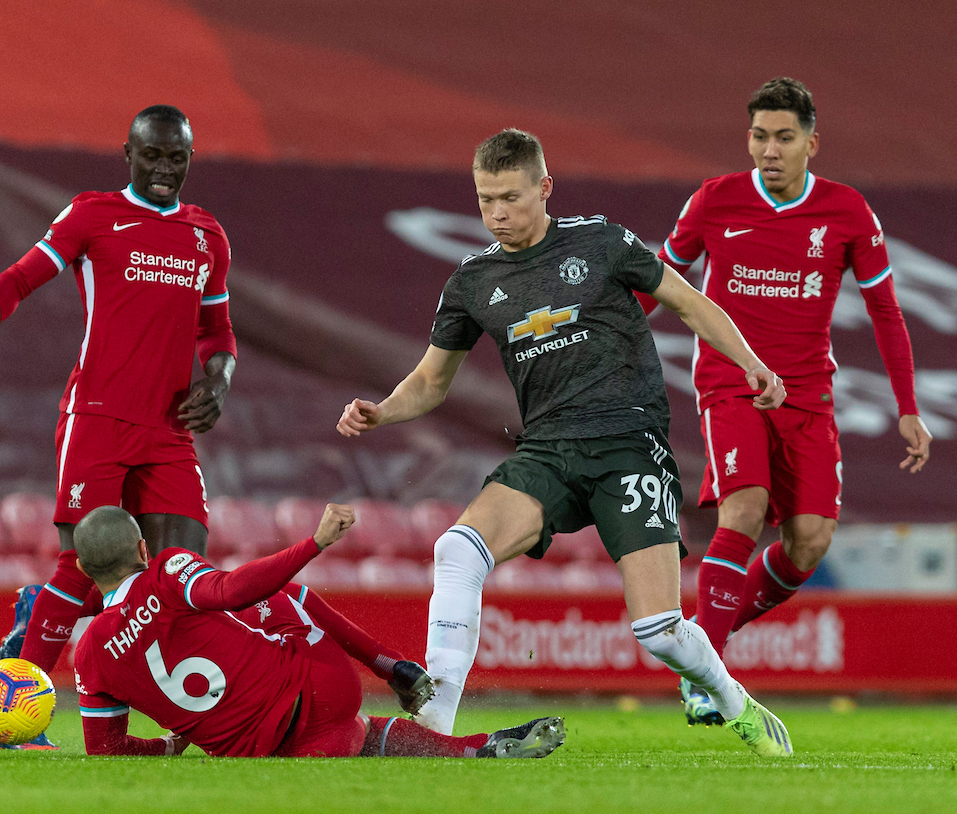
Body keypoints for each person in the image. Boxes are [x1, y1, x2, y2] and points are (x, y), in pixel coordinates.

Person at [337, 129, 793, 757]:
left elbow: (690, 304)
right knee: (457, 551)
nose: (497, 213)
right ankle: (435, 734)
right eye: (485, 199)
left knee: (658, 631)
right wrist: (381, 411)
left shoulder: (602, 242)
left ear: (544, 188)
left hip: (627, 443)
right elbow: (431, 381)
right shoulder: (473, 283)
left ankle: (734, 701)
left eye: (510, 198)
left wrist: (751, 363)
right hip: (548, 450)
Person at [649, 77, 932, 725]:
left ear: (811, 143)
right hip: (731, 382)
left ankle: (701, 636)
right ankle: (707, 674)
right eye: (758, 136)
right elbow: (658, 280)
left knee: (808, 544)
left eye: (783, 137)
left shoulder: (847, 212)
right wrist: (606, 343)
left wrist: (908, 405)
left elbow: (886, 311)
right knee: (744, 509)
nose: (768, 150)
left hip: (808, 394)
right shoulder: (715, 201)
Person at [0, 105, 237, 746]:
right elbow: (22, 274)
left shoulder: (208, 236)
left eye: (177, 157)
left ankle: (50, 615)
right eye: (153, 155)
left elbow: (217, 332)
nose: (165, 169)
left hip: (169, 429)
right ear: (129, 154)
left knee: (180, 570)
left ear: (190, 158)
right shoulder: (93, 214)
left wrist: (217, 384)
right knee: (82, 562)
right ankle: (18, 713)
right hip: (99, 416)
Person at [72, 503, 566, 760]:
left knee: (353, 737)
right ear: (141, 550)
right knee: (280, 597)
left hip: (260, 752)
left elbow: (106, 749)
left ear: (84, 567)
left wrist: (165, 746)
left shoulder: (88, 656)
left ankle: (461, 741)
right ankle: (391, 666)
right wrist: (314, 543)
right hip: (319, 693)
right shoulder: (166, 570)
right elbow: (231, 590)